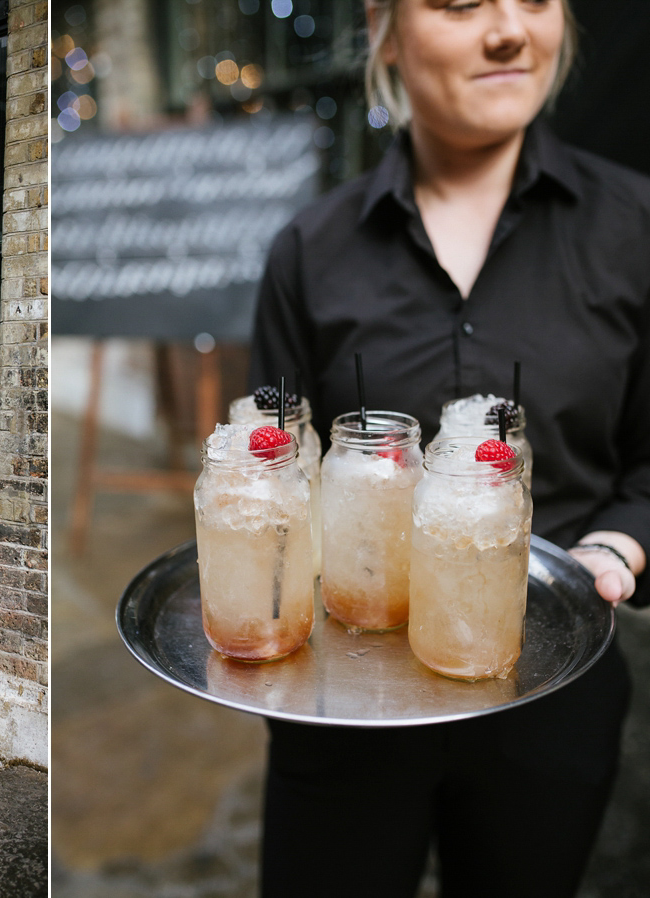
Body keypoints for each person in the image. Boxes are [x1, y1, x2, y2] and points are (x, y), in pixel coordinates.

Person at [249, 0, 650, 895]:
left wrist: (618, 545)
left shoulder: (636, 230)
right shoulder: (310, 252)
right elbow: (270, 460)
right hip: (347, 703)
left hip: (551, 696)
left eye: (537, 0)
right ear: (385, 28)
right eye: (462, 2)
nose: (509, 30)